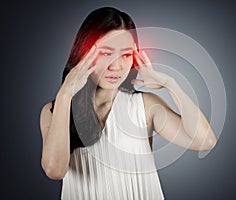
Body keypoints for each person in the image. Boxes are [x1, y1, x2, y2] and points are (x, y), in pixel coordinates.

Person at [40, 7, 217, 200]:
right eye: (106, 53)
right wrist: (66, 94)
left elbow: (205, 141)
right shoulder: (55, 110)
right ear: (85, 53)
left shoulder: (144, 106)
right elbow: (54, 170)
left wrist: (170, 84)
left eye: (125, 54)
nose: (116, 66)